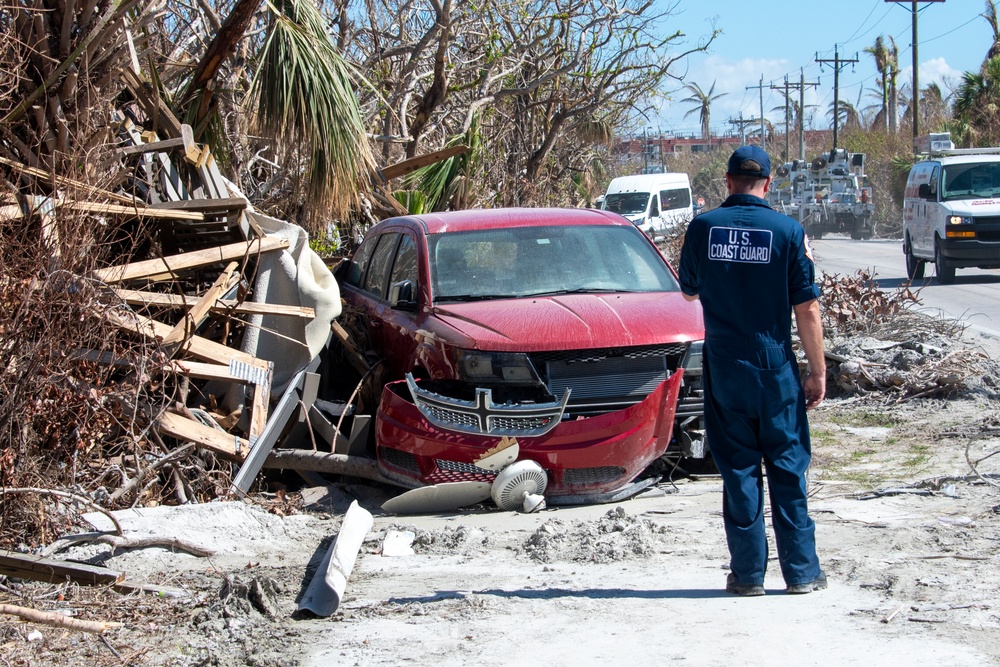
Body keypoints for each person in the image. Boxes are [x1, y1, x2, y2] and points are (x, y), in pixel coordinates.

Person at [677, 145, 827, 596]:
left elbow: (687, 294)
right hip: (774, 361)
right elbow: (808, 308)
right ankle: (800, 573)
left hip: (725, 362)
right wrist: (817, 371)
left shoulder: (703, 228)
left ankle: (747, 575)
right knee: (786, 464)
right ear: (769, 181)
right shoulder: (787, 231)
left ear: (727, 182)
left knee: (738, 468)